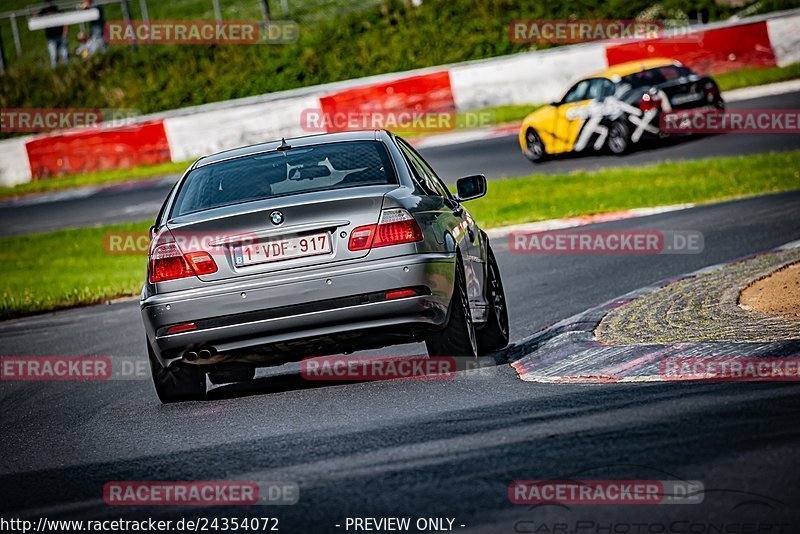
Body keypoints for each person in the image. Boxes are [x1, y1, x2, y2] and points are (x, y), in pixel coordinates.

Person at [38, 0, 68, 68]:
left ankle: (67, 67)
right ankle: (55, 70)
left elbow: (65, 21)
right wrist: (42, 11)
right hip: (51, 37)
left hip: (60, 35)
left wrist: (65, 32)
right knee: (53, 55)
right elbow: (35, 16)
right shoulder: (44, 12)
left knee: (64, 53)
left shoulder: (57, 11)